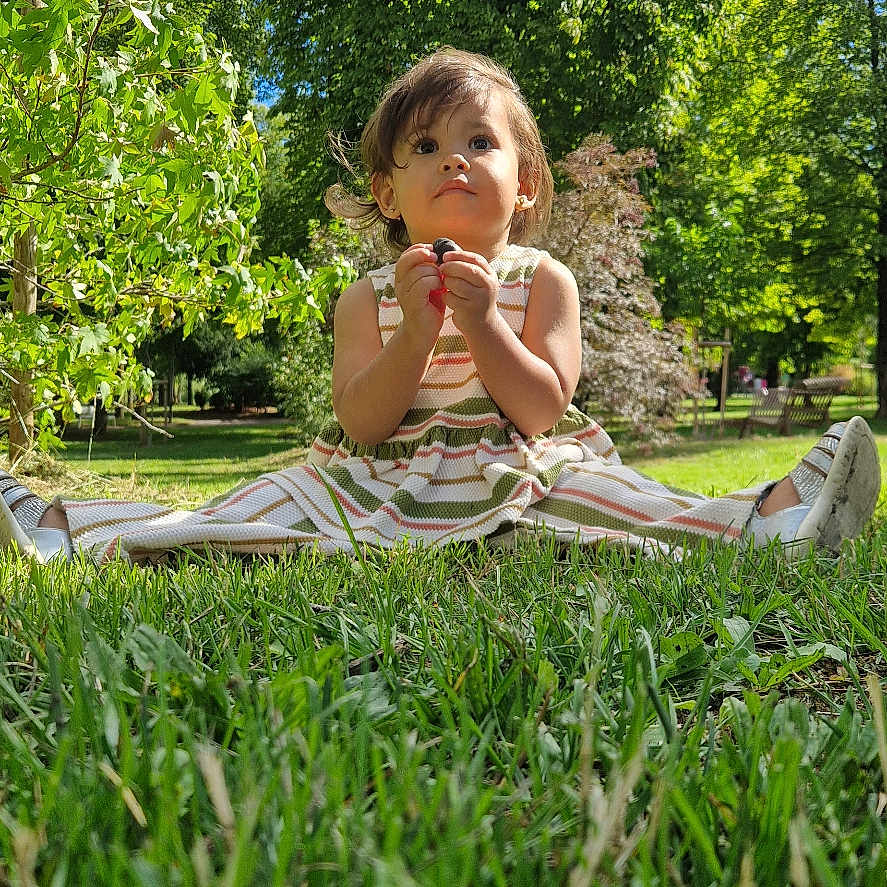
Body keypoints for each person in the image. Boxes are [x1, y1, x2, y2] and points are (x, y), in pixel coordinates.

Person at [0, 48, 881, 565]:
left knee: (620, 499)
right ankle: (55, 525)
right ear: (388, 193)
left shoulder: (542, 280)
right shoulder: (366, 298)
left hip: (517, 465)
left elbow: (541, 407)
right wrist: (416, 330)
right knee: (257, 504)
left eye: (478, 142)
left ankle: (778, 516)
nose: (451, 160)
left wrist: (484, 322)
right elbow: (363, 421)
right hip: (379, 474)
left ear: (525, 181)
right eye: (424, 146)